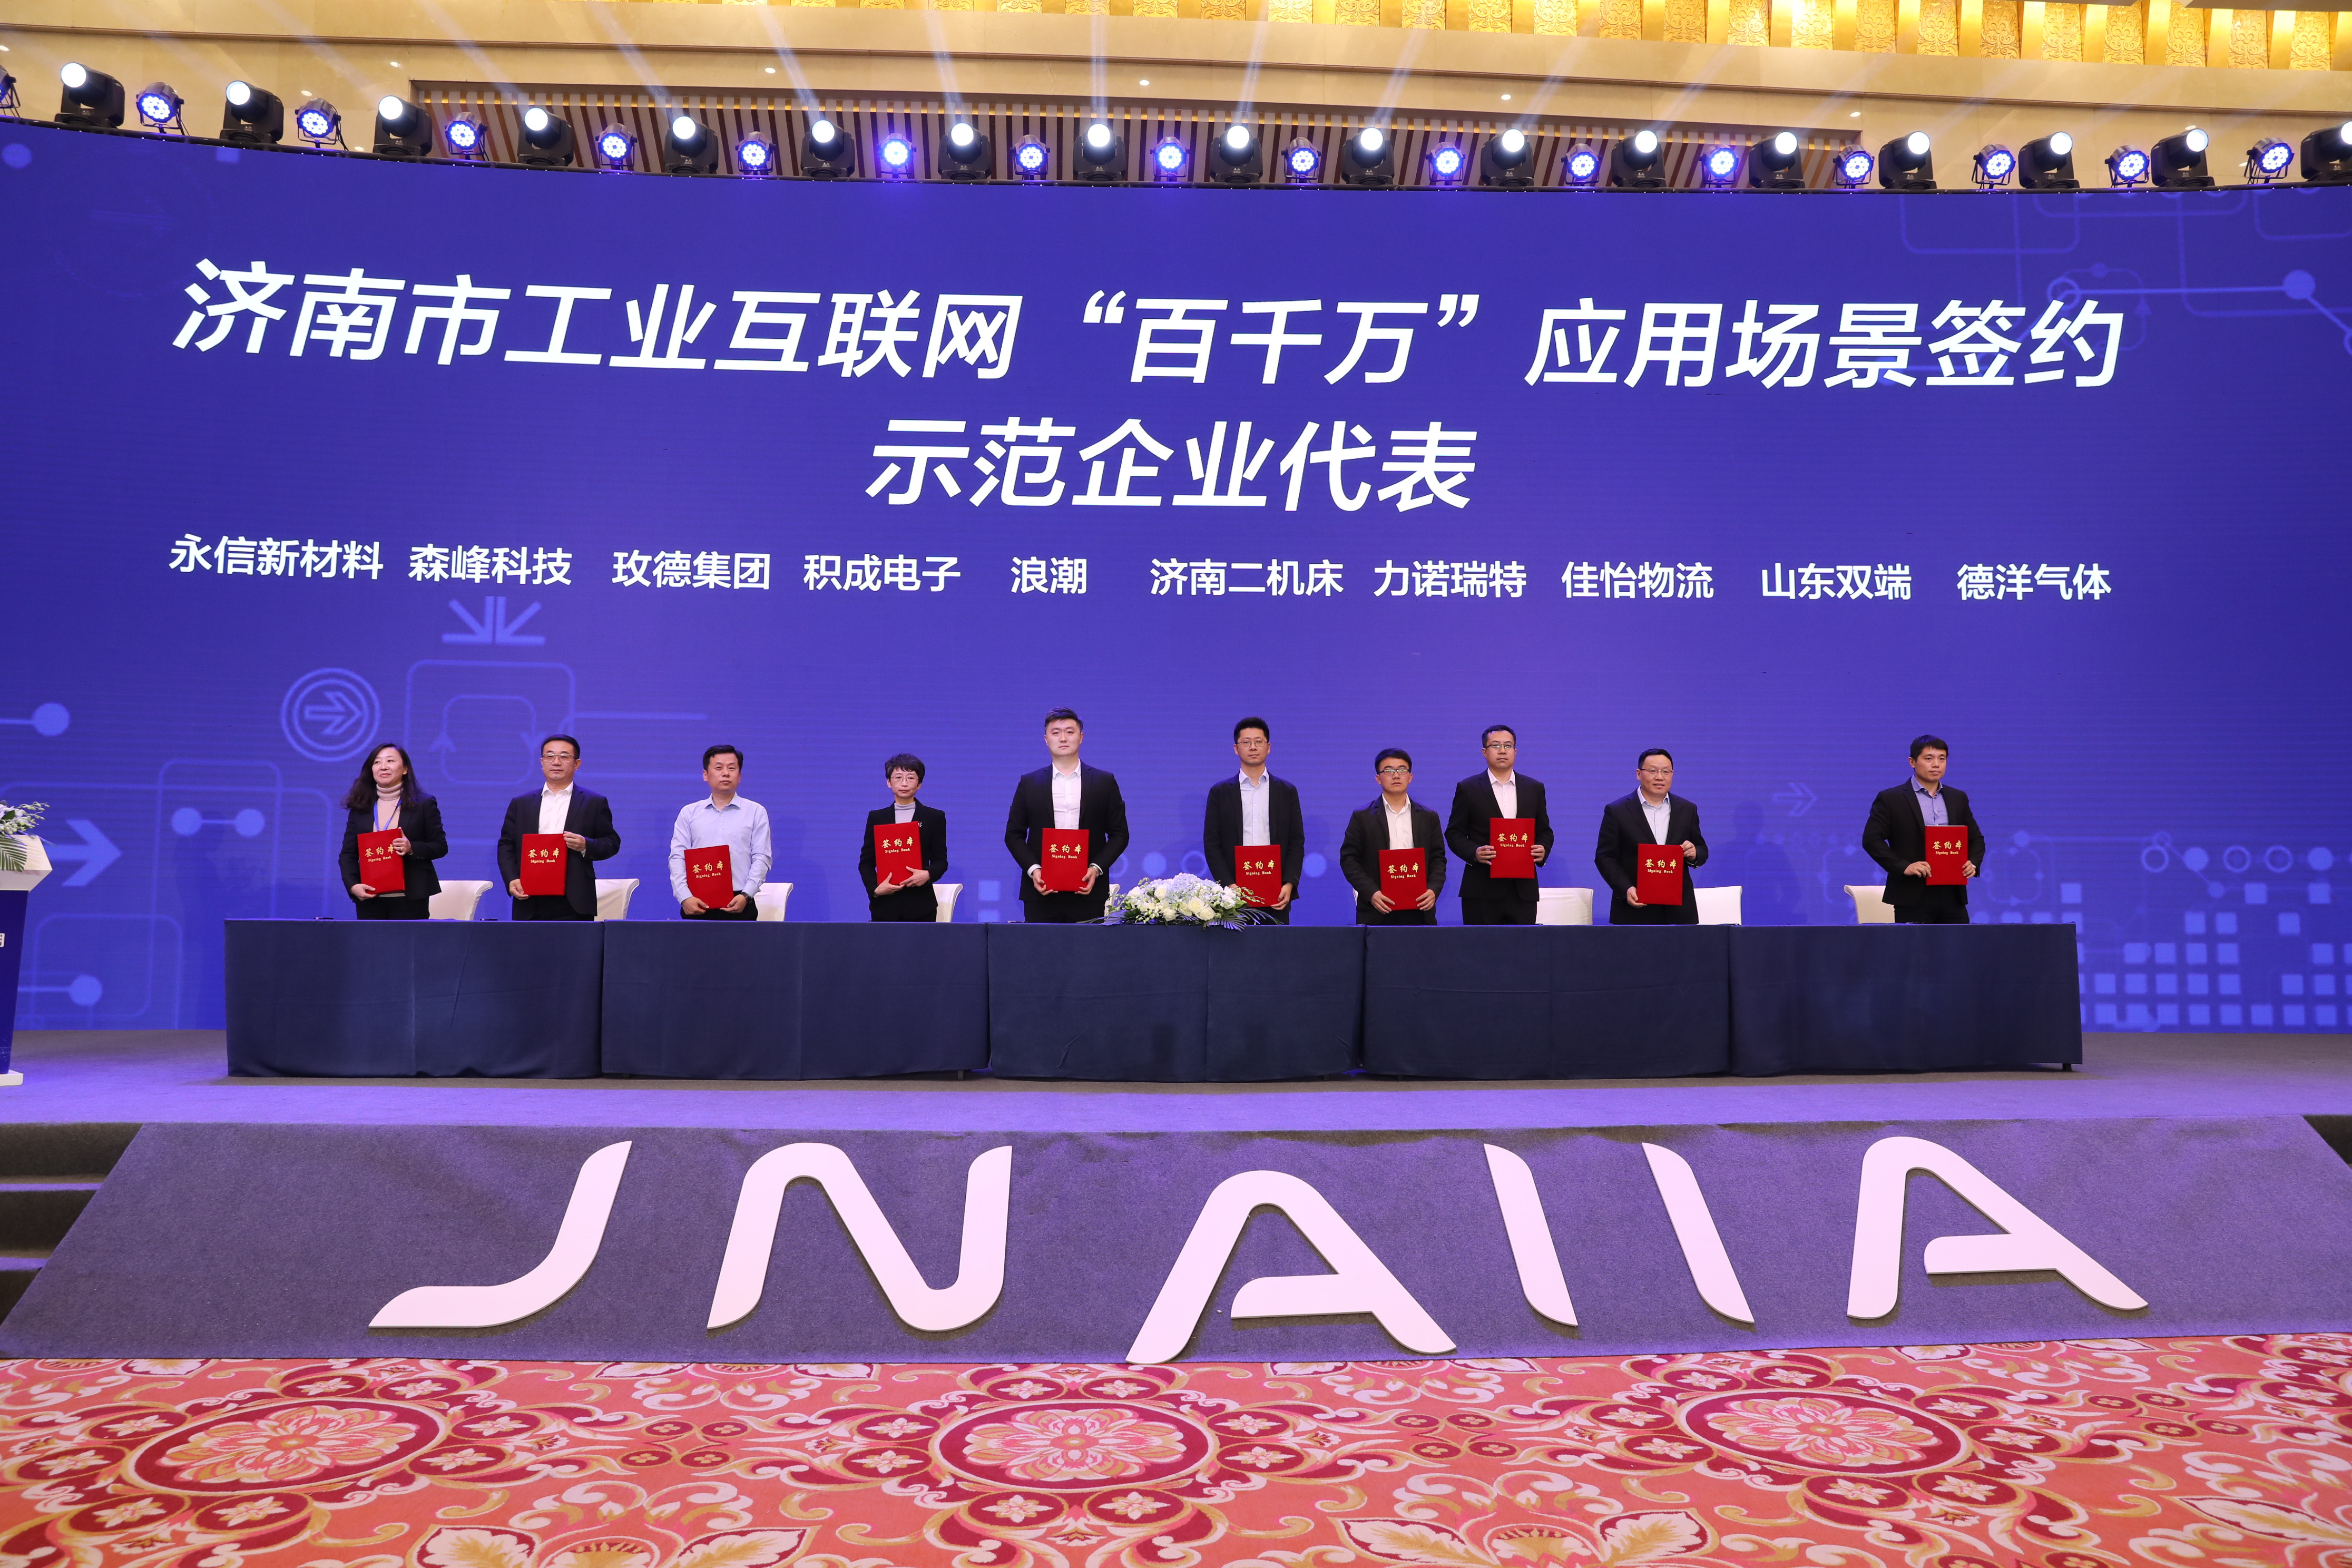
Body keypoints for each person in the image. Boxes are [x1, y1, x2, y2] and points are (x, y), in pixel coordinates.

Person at [1004, 708, 1130, 923]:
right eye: (1056, 732)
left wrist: (1096, 868)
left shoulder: (1104, 782)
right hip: (1041, 891)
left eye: (1070, 732)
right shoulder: (1029, 783)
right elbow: (1013, 834)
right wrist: (1034, 869)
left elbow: (1120, 834)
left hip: (1088, 890)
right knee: (1040, 945)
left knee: (1086, 946)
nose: (1063, 738)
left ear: (1081, 737)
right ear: (1046, 740)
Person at [496, 733, 621, 920]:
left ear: (577, 764)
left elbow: (611, 843)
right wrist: (512, 878)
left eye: (564, 757)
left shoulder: (594, 802)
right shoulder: (521, 803)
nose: (556, 762)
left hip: (574, 899)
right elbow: (506, 845)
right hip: (530, 896)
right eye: (550, 756)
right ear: (542, 762)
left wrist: (585, 845)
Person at [1863, 733, 1984, 924]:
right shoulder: (1892, 798)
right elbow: (1872, 840)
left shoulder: (1957, 798)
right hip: (1912, 894)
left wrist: (1974, 863)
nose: (1936, 765)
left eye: (1942, 759)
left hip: (1953, 893)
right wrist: (1903, 866)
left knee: (1959, 943)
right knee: (1916, 944)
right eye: (1929, 759)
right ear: (1912, 762)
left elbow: (1976, 838)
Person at [1443, 725, 1554, 925]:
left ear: (1515, 752)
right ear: (1484, 752)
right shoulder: (1468, 788)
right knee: (1481, 945)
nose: (1502, 751)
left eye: (1508, 746)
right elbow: (1454, 833)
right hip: (1481, 890)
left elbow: (1545, 831)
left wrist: (1543, 849)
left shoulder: (1534, 788)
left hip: (1523, 891)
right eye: (1496, 746)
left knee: (1522, 945)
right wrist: (1474, 852)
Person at [1203, 716, 1306, 924]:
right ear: (1236, 749)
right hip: (1234, 895)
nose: (1253, 747)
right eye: (1246, 742)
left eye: (1259, 742)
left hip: (1276, 893)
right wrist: (1228, 886)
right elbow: (1212, 844)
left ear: (1269, 747)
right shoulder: (1220, 792)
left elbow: (1296, 842)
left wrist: (1289, 883)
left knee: (1274, 943)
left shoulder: (1286, 791)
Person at [1595, 748, 1709, 925]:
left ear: (1672, 775)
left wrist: (1694, 854)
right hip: (1635, 908)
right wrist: (1625, 888)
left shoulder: (1687, 809)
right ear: (1639, 774)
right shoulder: (1617, 811)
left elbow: (1701, 850)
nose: (1660, 777)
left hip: (1679, 911)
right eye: (1653, 771)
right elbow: (1605, 857)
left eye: (1666, 772)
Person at [338, 742, 447, 919]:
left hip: (410, 898)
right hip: (370, 897)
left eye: (390, 761)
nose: (383, 767)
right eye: (377, 762)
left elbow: (440, 846)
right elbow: (348, 854)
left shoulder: (424, 804)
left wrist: (411, 848)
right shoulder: (361, 807)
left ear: (405, 769)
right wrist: (353, 885)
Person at [1340, 748, 1446, 925]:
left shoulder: (1428, 817)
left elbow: (1438, 859)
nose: (1396, 775)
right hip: (1378, 907)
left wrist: (1433, 890)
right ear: (1378, 779)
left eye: (1402, 770)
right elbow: (1349, 859)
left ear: (1410, 777)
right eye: (1388, 770)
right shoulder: (1362, 817)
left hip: (1419, 906)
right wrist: (1371, 893)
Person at [668, 745, 770, 920]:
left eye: (732, 768)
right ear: (705, 775)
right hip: (697, 902)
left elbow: (762, 858)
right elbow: (678, 857)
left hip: (740, 901)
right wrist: (684, 897)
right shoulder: (689, 813)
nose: (726, 773)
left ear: (740, 776)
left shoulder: (756, 812)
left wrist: (746, 895)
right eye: (719, 768)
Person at [861, 752, 950, 922]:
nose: (904, 783)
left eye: (910, 778)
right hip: (885, 906)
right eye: (898, 777)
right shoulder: (877, 818)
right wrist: (876, 889)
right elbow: (866, 862)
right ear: (889, 782)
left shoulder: (934, 817)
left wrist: (927, 875)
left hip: (921, 906)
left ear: (919, 784)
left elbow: (941, 861)